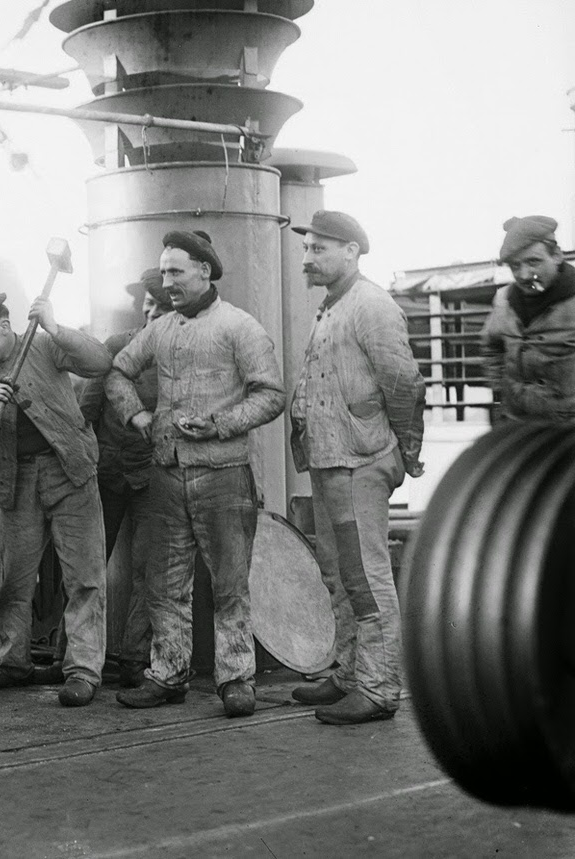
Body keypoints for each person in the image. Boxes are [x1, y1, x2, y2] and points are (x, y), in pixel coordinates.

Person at [107, 231, 284, 718]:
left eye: (176, 272)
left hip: (223, 476)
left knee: (229, 584)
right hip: (165, 475)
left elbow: (272, 395)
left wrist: (220, 424)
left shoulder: (240, 327)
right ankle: (167, 674)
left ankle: (236, 679)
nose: (167, 283)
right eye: (163, 273)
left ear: (204, 271)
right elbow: (117, 373)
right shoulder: (160, 330)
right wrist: (138, 418)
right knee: (165, 584)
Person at [288, 211, 425, 726]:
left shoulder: (371, 305)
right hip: (330, 460)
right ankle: (348, 673)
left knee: (366, 578)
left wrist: (402, 452)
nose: (307, 258)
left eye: (319, 249)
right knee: (338, 575)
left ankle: (378, 687)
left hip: (359, 463)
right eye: (307, 249)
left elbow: (404, 382)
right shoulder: (331, 307)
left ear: (352, 251)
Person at [0, 292, 112, 707]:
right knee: (14, 582)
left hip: (70, 472)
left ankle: (82, 671)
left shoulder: (43, 343)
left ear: (5, 326)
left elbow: (99, 362)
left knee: (84, 578)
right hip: (14, 483)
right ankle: (13, 663)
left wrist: (56, 326)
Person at [78, 270, 172, 688]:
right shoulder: (116, 348)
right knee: (89, 566)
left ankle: (135, 658)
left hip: (156, 476)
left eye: (161, 304)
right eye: (147, 303)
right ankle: (82, 662)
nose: (151, 311)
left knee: (149, 569)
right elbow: (86, 413)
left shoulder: (181, 356)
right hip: (106, 474)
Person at [481, 215, 575, 423]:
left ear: (557, 255)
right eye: (515, 266)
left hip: (566, 432)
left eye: (534, 262)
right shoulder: (503, 300)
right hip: (517, 423)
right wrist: (502, 390)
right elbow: (492, 346)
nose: (524, 274)